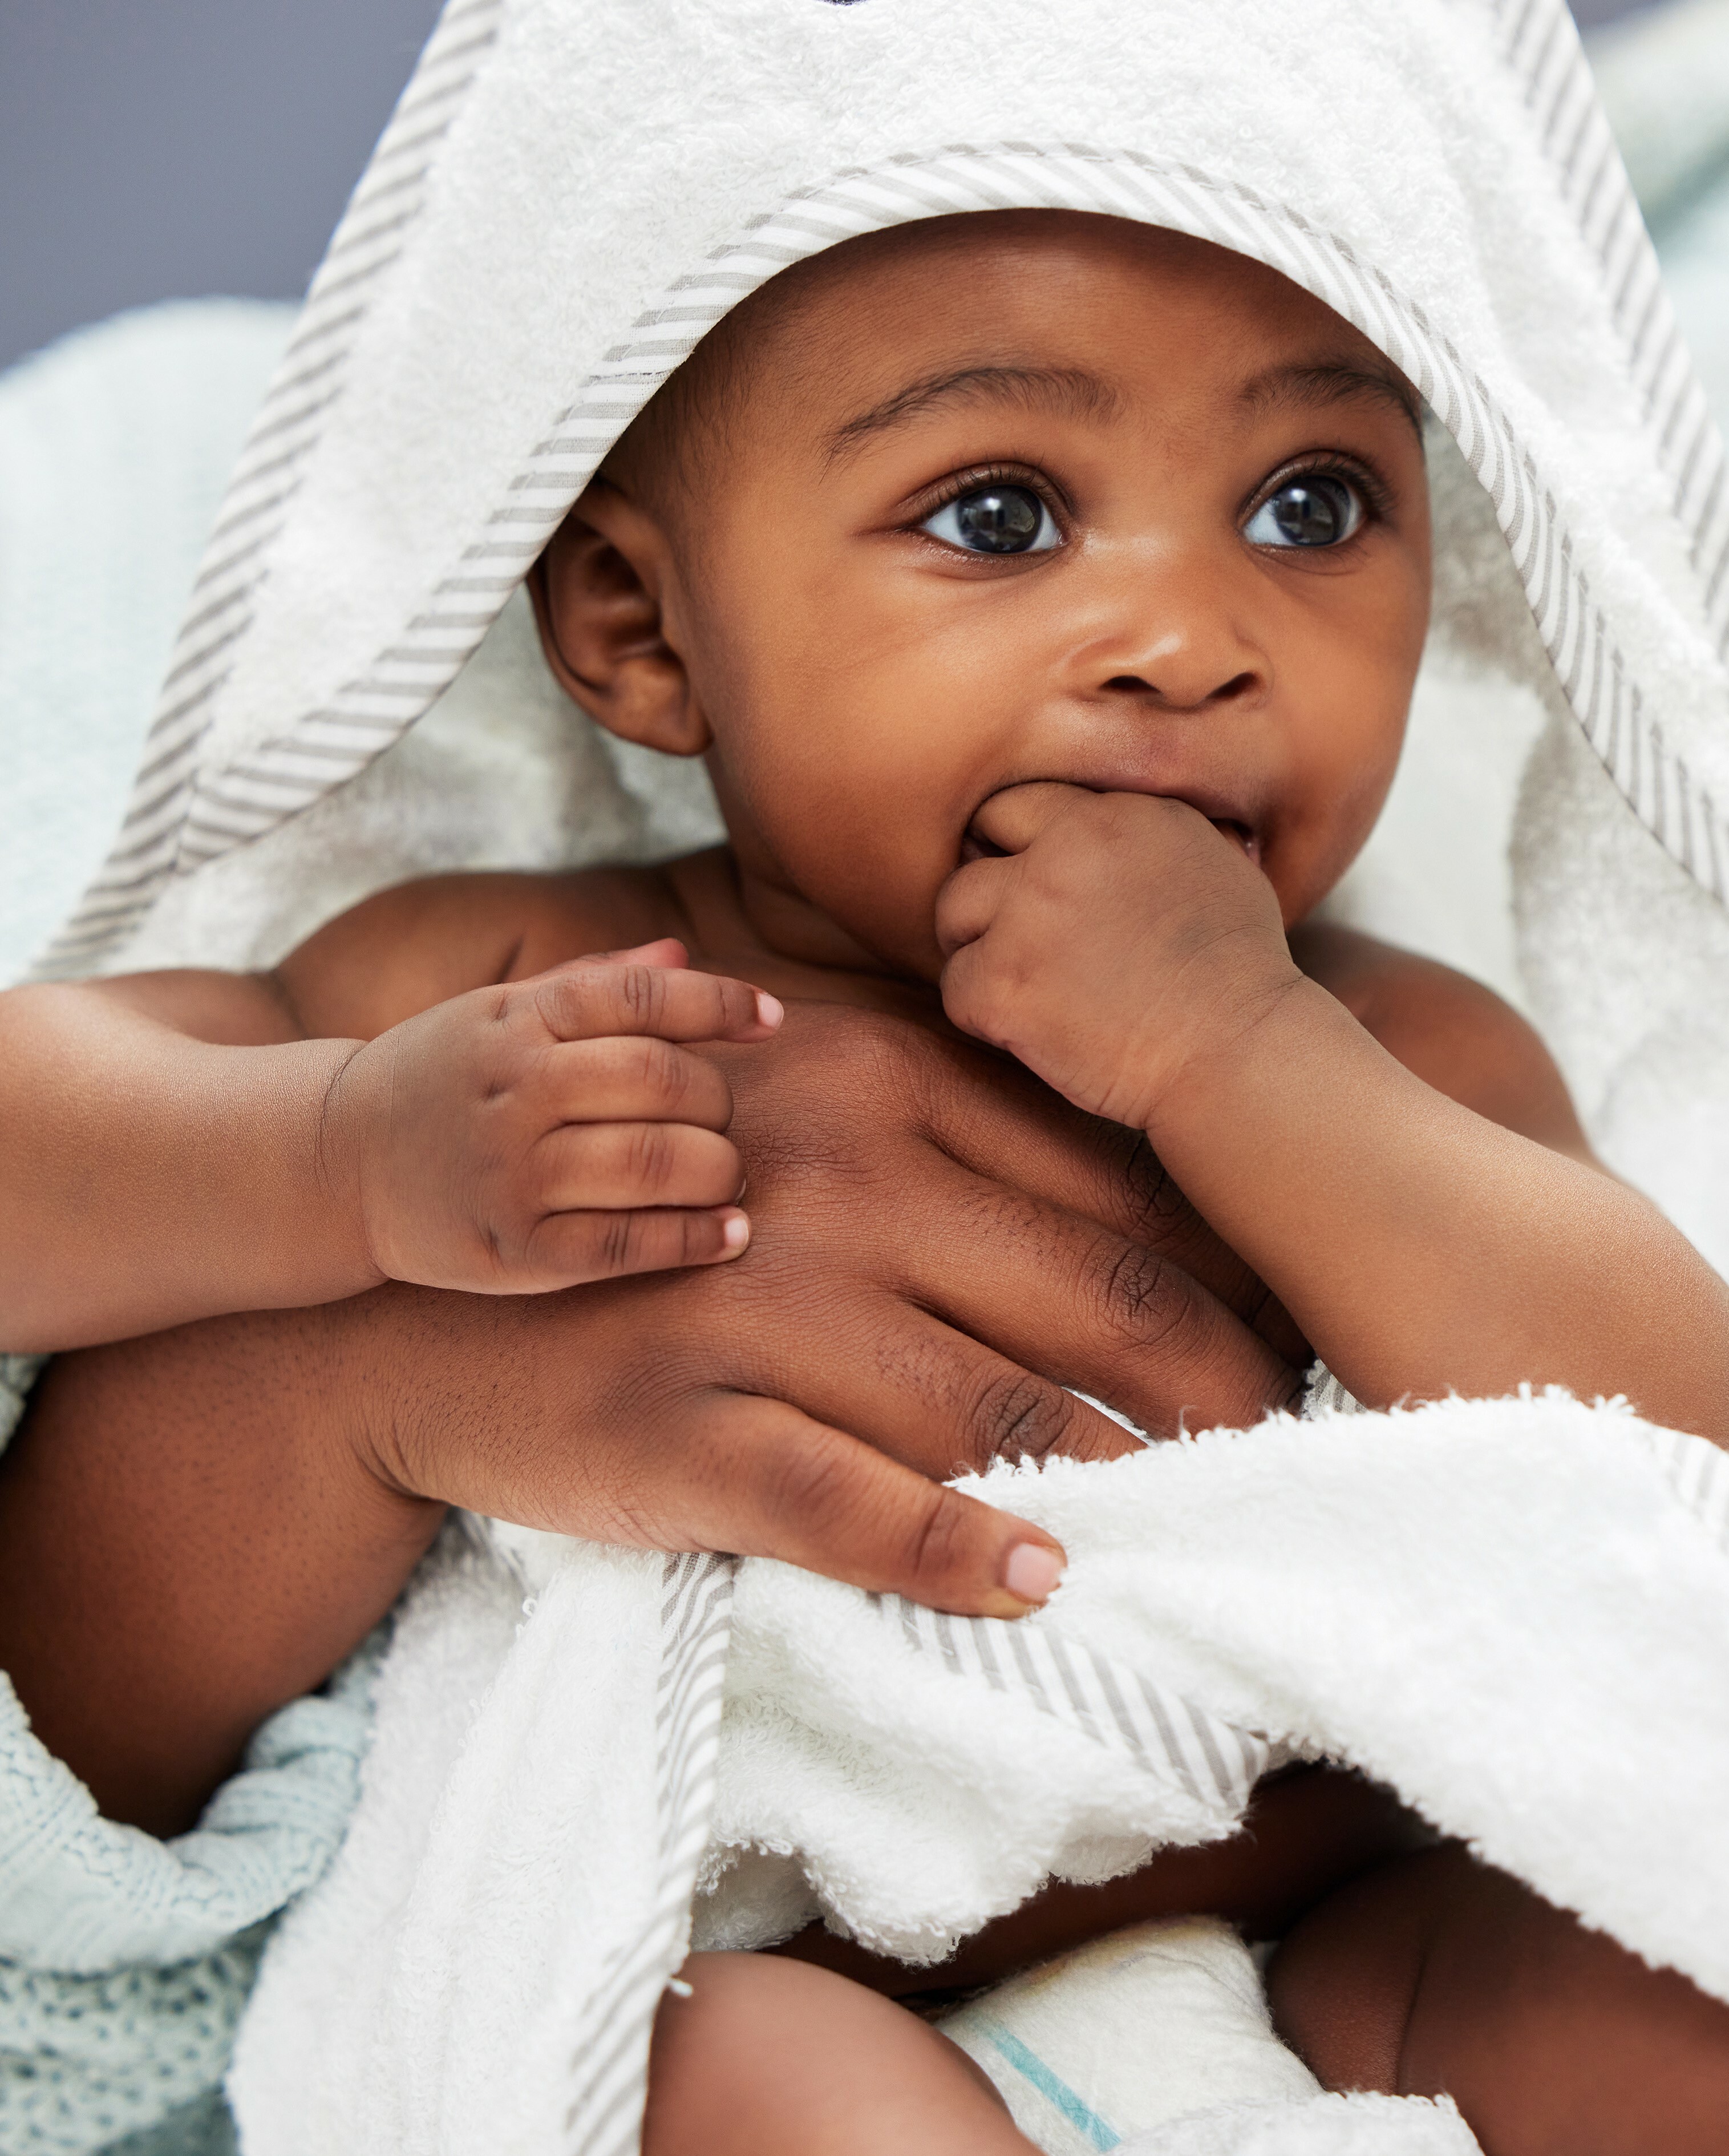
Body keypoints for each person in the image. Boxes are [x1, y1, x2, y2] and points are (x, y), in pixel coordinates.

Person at [5, 208, 1729, 2153]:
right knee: (727, 2079)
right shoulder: (516, 985)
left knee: (1679, 1997)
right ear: (647, 635)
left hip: (1339, 1949)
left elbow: (1669, 1456)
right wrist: (332, 1159)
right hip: (786, 1986)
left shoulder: (1390, 1052)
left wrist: (1245, 1057)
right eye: (1000, 514)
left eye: (1313, 505)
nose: (1192, 640)